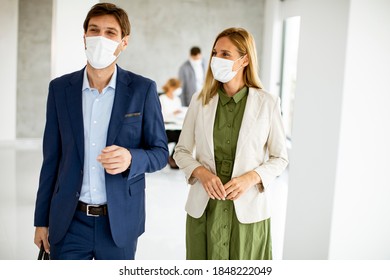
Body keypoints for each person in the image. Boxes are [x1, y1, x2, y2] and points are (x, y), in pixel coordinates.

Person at [33, 3, 168, 260]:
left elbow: (160, 152)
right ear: (84, 37)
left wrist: (131, 158)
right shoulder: (60, 89)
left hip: (119, 223)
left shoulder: (143, 89)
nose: (100, 39)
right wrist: (41, 220)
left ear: (123, 42)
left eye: (110, 33)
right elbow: (51, 160)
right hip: (69, 222)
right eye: (94, 31)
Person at [173, 27, 288, 260]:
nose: (216, 59)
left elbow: (280, 158)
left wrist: (251, 178)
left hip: (248, 211)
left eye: (225, 54)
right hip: (204, 209)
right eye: (215, 53)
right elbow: (181, 151)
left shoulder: (268, 103)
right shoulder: (199, 100)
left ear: (244, 59)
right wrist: (201, 173)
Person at [159, 78, 183, 169]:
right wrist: (173, 114)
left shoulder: (177, 99)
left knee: (183, 136)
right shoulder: (162, 99)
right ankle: (169, 159)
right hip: (166, 128)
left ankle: (173, 158)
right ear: (172, 87)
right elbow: (161, 116)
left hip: (177, 126)